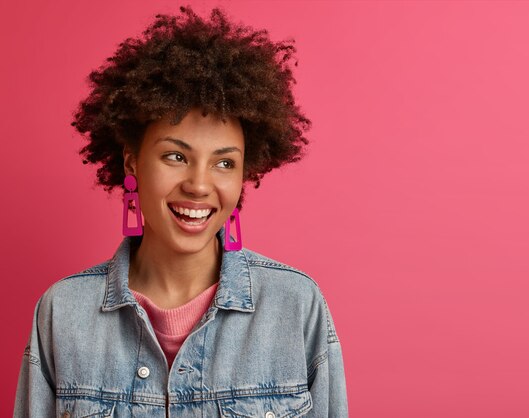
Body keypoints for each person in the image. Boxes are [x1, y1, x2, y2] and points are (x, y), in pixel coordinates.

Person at [14, 6, 348, 417]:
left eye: (224, 163)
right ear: (132, 161)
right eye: (176, 155)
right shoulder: (62, 313)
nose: (200, 185)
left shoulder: (296, 306)